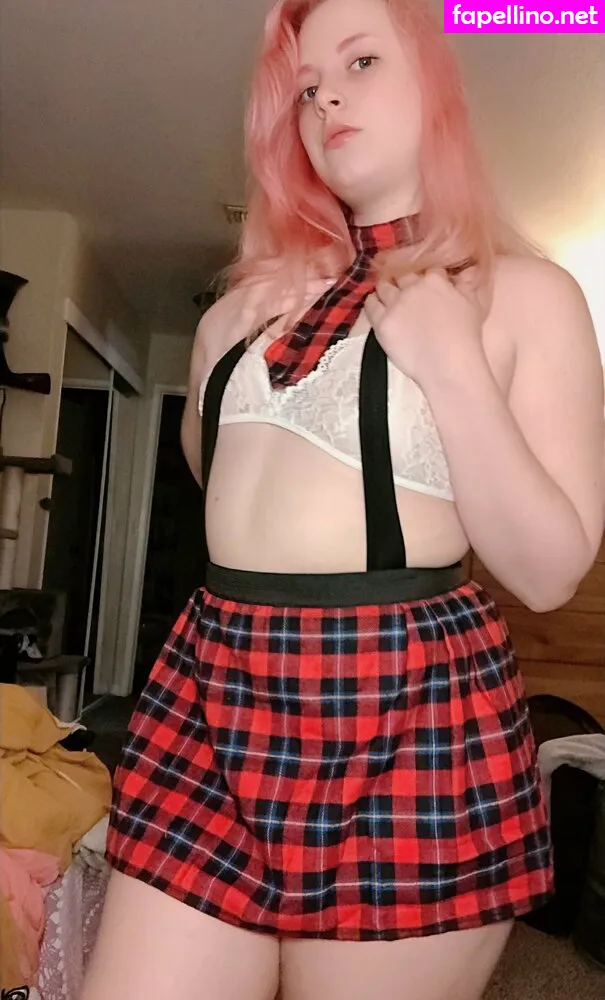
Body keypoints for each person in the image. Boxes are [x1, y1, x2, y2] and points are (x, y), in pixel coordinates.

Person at [81, 0, 605, 997]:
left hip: (405, 707)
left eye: (360, 62)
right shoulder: (235, 313)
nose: (324, 101)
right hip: (214, 685)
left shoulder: (527, 293)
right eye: (305, 88)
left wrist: (450, 365)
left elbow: (547, 574)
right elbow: (227, 491)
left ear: (435, 81)